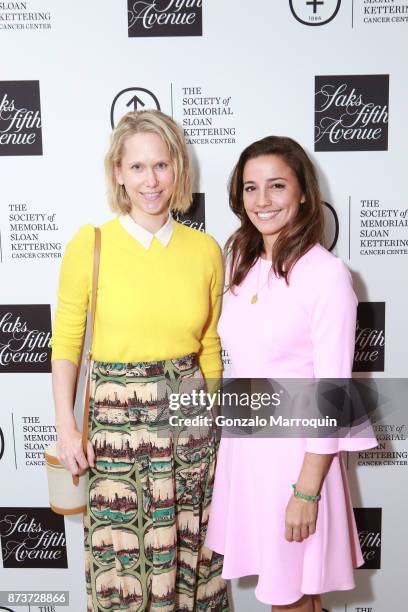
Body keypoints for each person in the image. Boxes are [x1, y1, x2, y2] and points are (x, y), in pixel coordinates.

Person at [51, 110, 229, 612]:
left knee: (190, 560)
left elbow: (210, 346)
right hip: (115, 433)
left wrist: (214, 429)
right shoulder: (92, 243)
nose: (150, 181)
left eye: (162, 165)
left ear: (179, 171)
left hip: (190, 428)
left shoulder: (205, 249)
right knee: (122, 568)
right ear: (118, 173)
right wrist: (67, 427)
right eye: (137, 167)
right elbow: (66, 342)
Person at [205, 136, 377, 611]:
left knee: (293, 599)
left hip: (296, 461)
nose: (262, 200)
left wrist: (306, 491)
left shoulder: (326, 275)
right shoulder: (238, 261)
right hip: (247, 451)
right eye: (250, 188)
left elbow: (333, 391)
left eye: (277, 186)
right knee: (290, 599)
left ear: (303, 191)